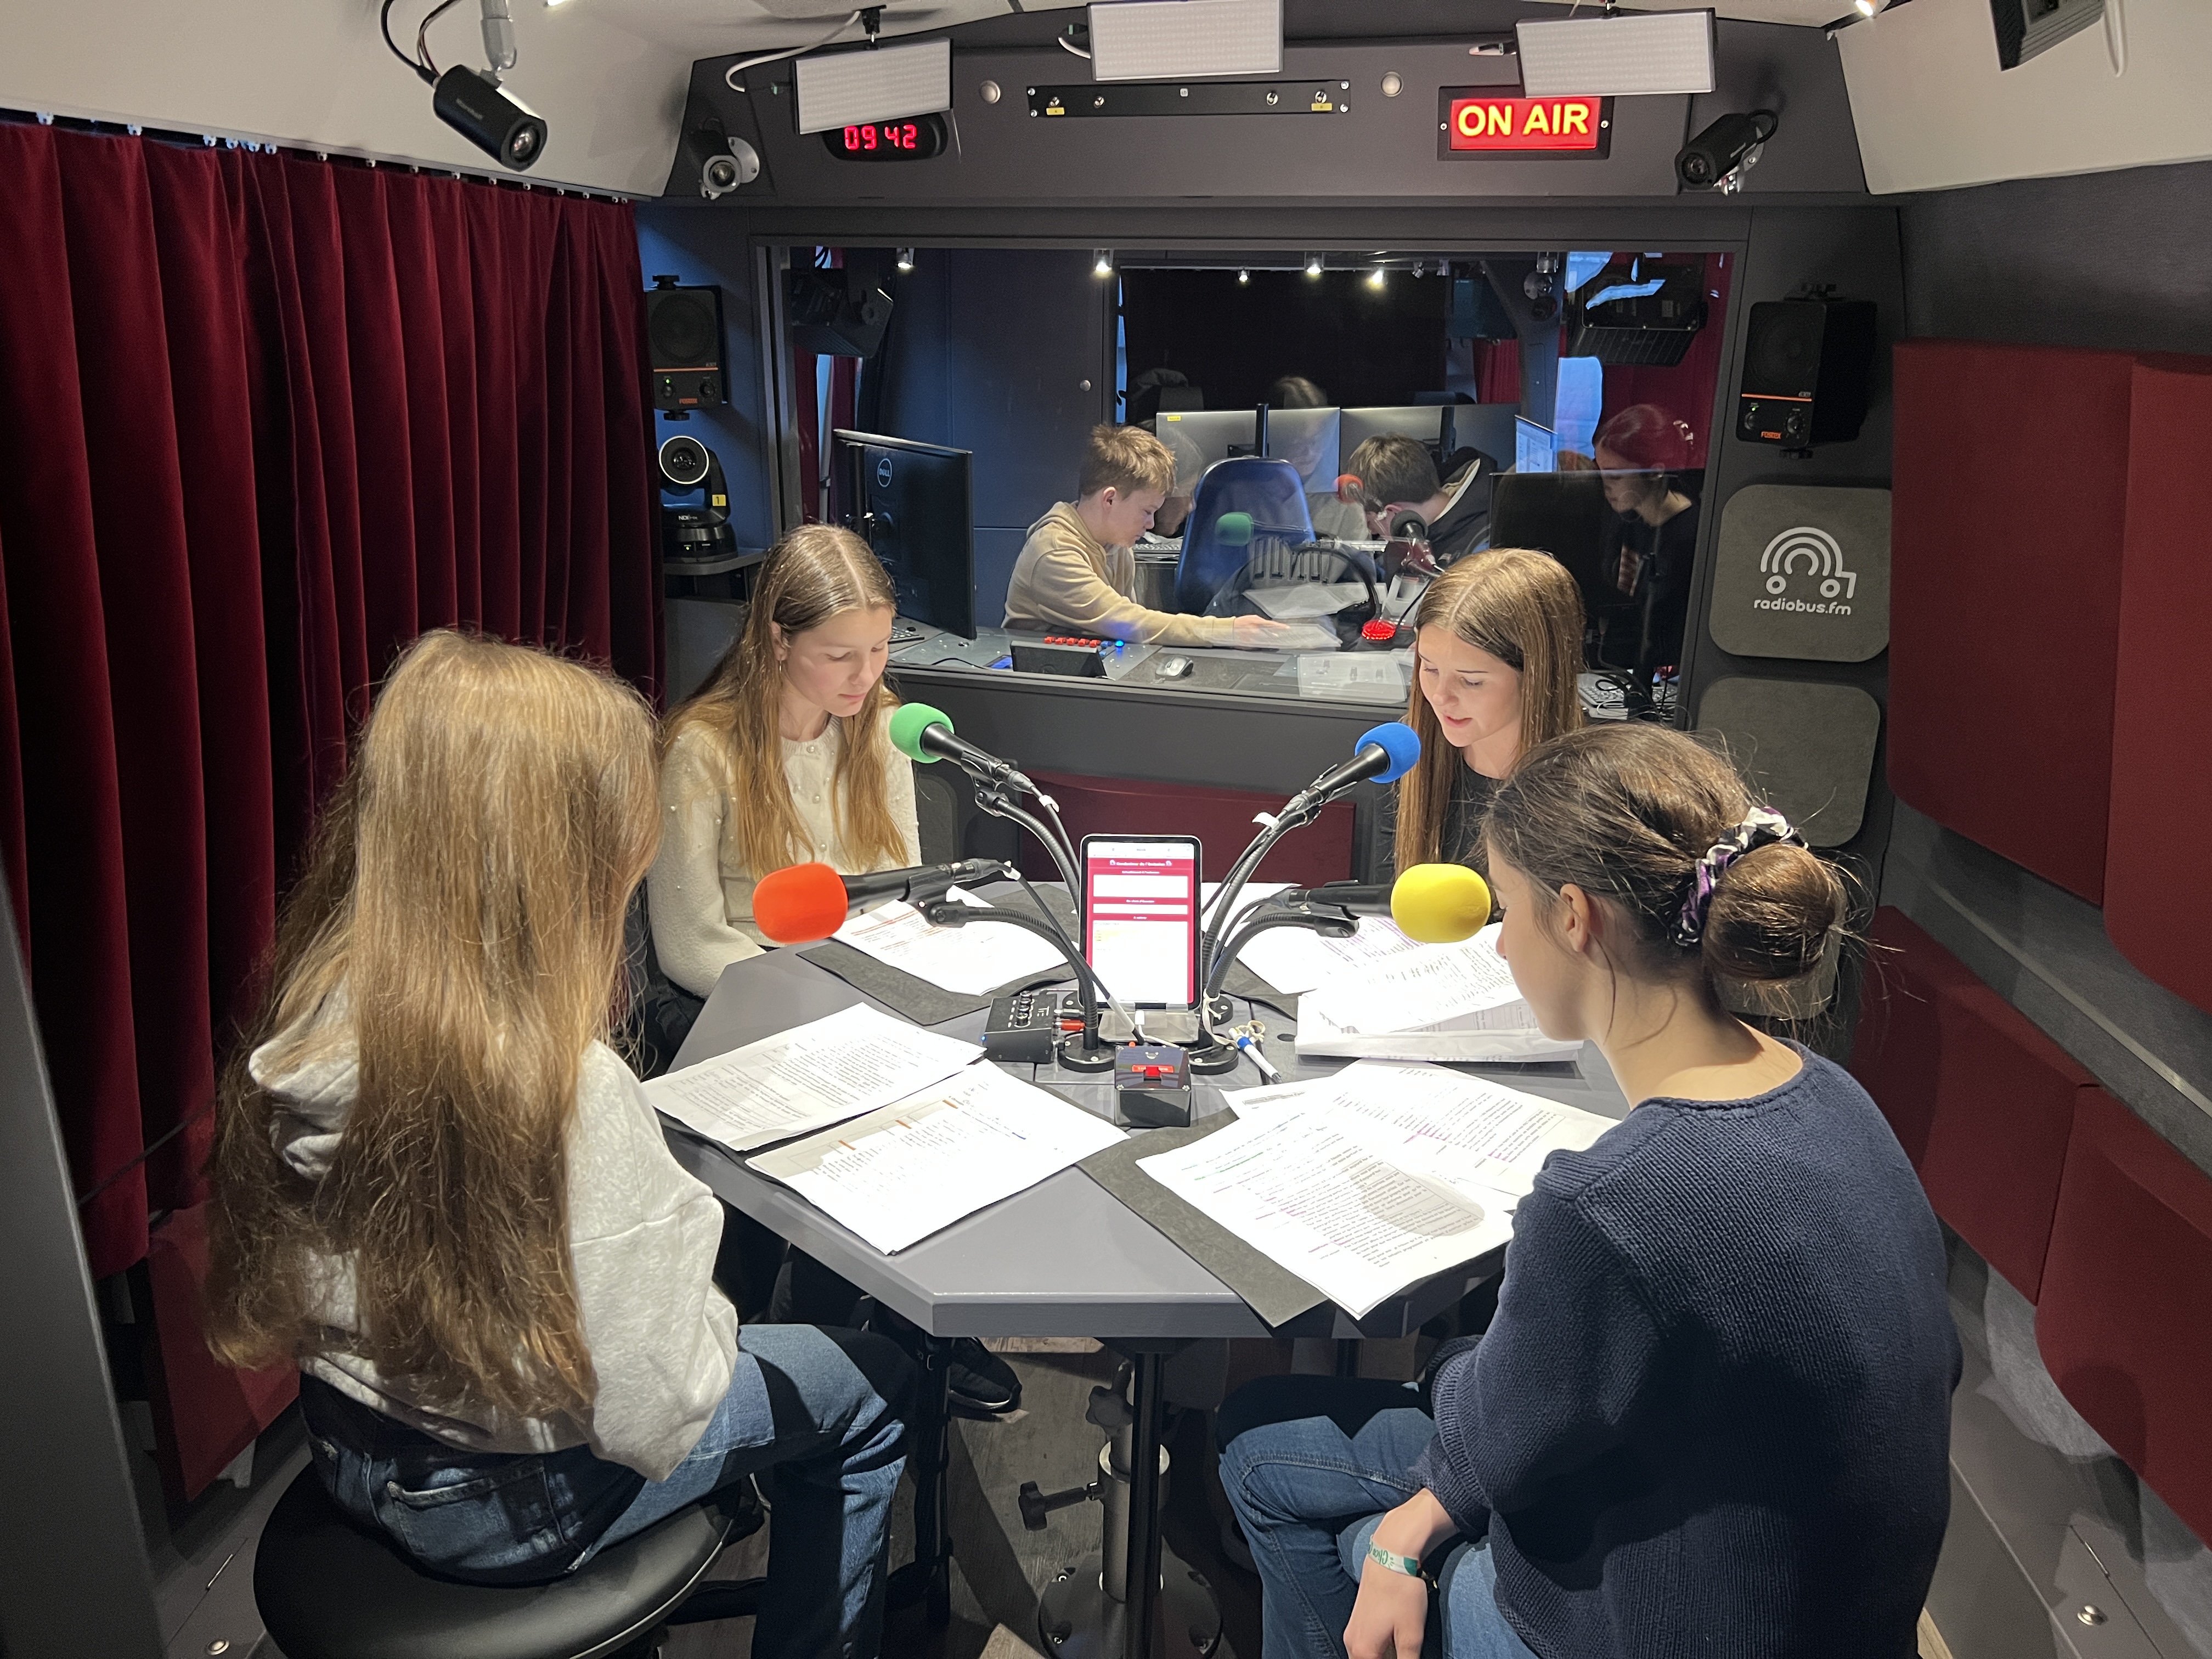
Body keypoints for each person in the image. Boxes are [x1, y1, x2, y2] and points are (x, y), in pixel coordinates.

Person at [201, 631, 912, 1657]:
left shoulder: (316, 1015)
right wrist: (708, 1296)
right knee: (872, 1382)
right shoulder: (570, 1093)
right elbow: (660, 1409)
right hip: (505, 1503)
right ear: (560, 861)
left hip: (350, 1447)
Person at [1218, 723, 1959, 1659]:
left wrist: (1445, 1397)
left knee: (1262, 1452)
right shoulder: (1837, 1095)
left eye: (1510, 912)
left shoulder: (1613, 1203)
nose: (1500, 947)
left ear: (1575, 918)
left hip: (1685, 1622)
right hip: (1829, 1604)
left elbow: (1502, 1426)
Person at [649, 524, 919, 1017]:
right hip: (749, 986)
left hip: (859, 977)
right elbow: (690, 942)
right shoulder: (702, 748)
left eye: (880, 648)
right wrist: (808, 1002)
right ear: (779, 640)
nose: (866, 675)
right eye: (839, 656)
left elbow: (897, 892)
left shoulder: (883, 725)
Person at [1384, 548, 1584, 877]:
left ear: (1537, 675)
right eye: (1430, 669)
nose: (1440, 697)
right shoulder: (1406, 755)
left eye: (1471, 681)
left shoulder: (1591, 793)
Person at [1003, 422, 1291, 648]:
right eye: (1146, 511)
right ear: (1110, 499)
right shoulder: (1054, 553)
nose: (1151, 524)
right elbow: (1129, 623)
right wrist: (1228, 631)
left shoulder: (1116, 545)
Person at [1592, 404, 1701, 699]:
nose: (1605, 486)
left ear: (1655, 472)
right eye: (1599, 472)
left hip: (1667, 681)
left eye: (1615, 476)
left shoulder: (1691, 536)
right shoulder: (1623, 516)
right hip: (1617, 667)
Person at [1342, 431, 1491, 571]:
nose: (1372, 531)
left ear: (1395, 514)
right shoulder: (1427, 533)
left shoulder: (1480, 552)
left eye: (1370, 523)